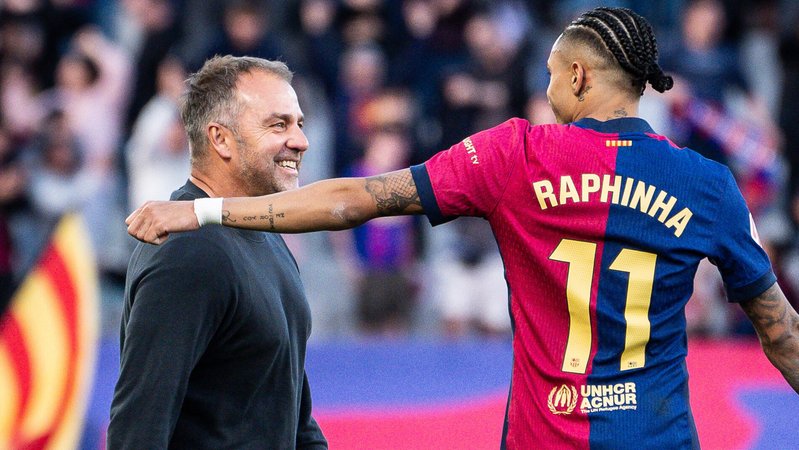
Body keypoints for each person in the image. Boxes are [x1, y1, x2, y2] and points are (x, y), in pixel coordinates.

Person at [125, 7, 799, 449]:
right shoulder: (707, 184)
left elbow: (353, 201)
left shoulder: (516, 155)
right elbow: (779, 331)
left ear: (577, 74)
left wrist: (204, 210)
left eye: (548, 75)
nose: (544, 89)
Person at [108, 55, 327, 449]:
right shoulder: (187, 252)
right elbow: (138, 429)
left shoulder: (267, 234)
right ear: (220, 138)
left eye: (299, 123)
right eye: (279, 124)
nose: (301, 141)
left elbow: (293, 415)